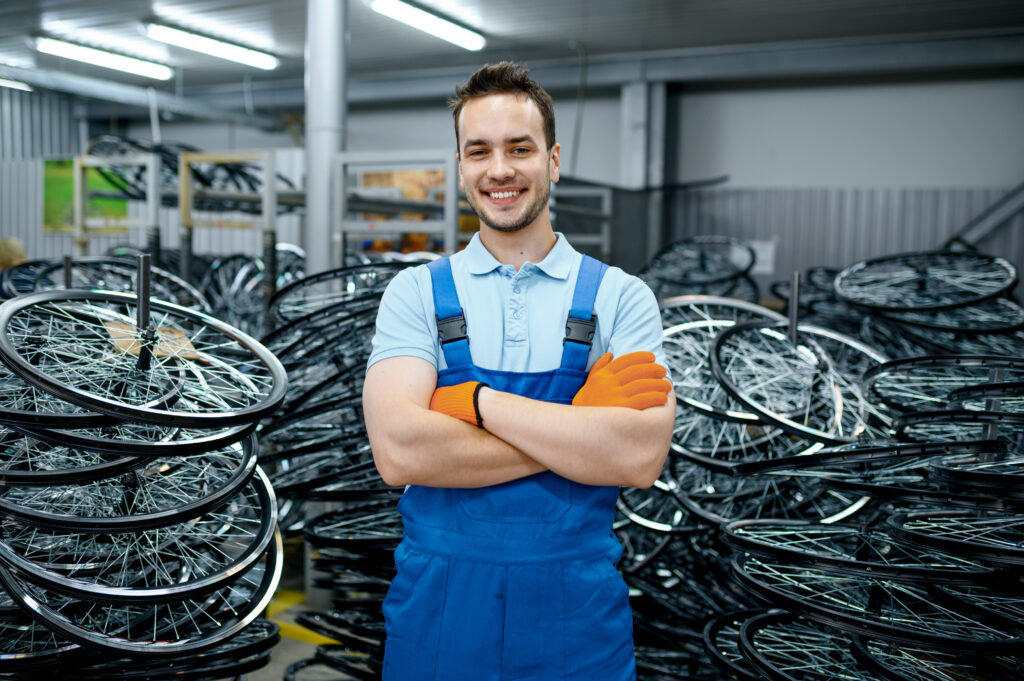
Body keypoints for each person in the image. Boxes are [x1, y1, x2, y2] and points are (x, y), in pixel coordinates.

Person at [363, 61, 676, 681]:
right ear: (460, 167)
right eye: (478, 151)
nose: (499, 170)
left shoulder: (620, 297)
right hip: (441, 614)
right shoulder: (416, 293)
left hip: (577, 620)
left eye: (520, 149)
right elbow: (400, 453)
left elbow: (638, 458)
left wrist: (476, 404)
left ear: (553, 161)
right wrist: (579, 427)